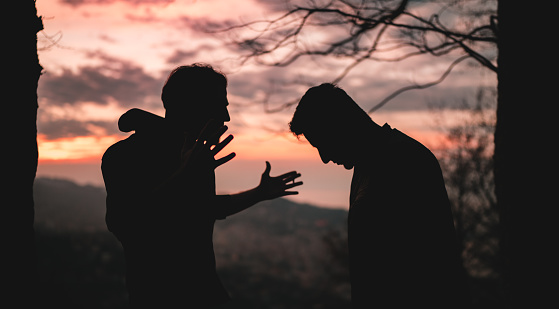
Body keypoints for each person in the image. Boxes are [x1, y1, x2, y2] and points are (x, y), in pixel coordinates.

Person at [101, 64, 303, 308]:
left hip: (207, 295)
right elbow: (125, 223)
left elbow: (203, 208)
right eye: (220, 106)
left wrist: (257, 194)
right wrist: (184, 176)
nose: (226, 117)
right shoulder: (123, 155)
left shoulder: (197, 157)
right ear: (192, 106)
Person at [288, 83, 469, 308]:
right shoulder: (368, 165)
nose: (324, 158)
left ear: (341, 126)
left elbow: (430, 264)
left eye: (323, 144)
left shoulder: (407, 161)